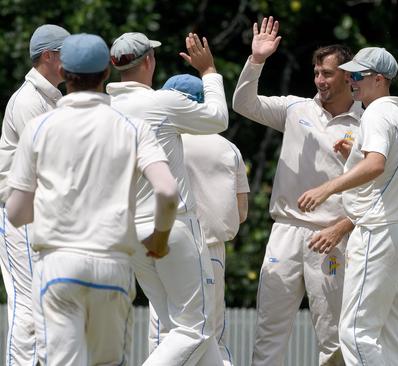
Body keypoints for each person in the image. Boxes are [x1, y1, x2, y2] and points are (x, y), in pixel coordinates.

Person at [5, 33, 177, 365]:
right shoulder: (132, 126)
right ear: (107, 73)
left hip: (58, 265)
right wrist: (160, 236)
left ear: (64, 73)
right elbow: (167, 190)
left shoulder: (39, 127)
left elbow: (16, 212)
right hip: (112, 265)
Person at [232, 16, 362, 366]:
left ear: (348, 77)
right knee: (269, 330)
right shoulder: (296, 108)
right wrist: (256, 60)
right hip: (286, 231)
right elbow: (244, 104)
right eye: (317, 73)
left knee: (333, 336)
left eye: (328, 74)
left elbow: (381, 188)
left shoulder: (367, 123)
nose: (319, 80)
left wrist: (345, 225)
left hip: (332, 235)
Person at [106, 32, 229, 365]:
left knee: (181, 328)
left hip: (129, 231)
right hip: (172, 227)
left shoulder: (104, 108)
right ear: (149, 61)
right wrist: (209, 72)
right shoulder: (161, 101)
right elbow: (219, 117)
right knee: (198, 329)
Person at [298, 46, 398, 366]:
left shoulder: (376, 113)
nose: (351, 80)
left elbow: (376, 165)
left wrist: (327, 188)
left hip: (377, 233)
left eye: (358, 75)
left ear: (379, 79)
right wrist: (357, 154)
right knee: (395, 337)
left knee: (354, 332)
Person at [152, 73, 250, 366]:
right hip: (212, 248)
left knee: (165, 333)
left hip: (169, 243)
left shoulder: (162, 140)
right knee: (212, 333)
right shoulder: (228, 148)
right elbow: (242, 210)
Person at [0, 23, 69, 365]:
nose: (71, 60)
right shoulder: (29, 100)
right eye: (65, 53)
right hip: (23, 214)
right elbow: (48, 164)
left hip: (41, 214)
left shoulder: (49, 98)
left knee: (45, 307)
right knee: (27, 307)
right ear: (47, 56)